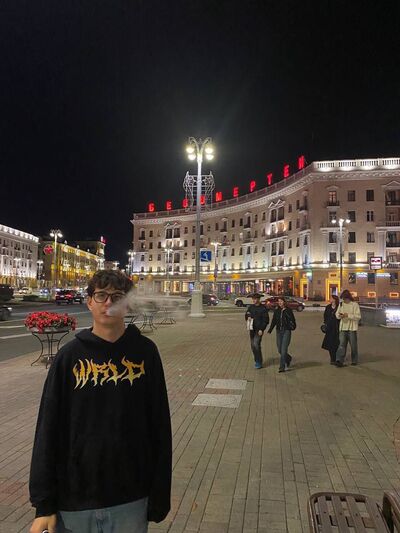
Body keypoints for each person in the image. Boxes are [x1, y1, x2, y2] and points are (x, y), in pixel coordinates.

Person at [29, 270, 172, 533]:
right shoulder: (69, 357)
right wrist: (44, 504)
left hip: (131, 497)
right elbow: (48, 427)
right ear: (89, 301)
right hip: (74, 499)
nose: (108, 303)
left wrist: (160, 493)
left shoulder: (145, 353)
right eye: (101, 295)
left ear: (127, 304)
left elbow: (159, 425)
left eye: (117, 296)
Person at [268, 297, 296, 373]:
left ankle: (282, 367)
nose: (280, 303)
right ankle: (288, 358)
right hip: (278, 331)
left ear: (284, 302)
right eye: (279, 301)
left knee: (283, 349)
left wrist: (291, 327)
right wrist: (270, 329)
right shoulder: (277, 310)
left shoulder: (288, 310)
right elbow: (274, 321)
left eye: (281, 301)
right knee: (280, 349)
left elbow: (293, 320)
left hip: (286, 331)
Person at [335, 289, 361, 367]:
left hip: (352, 328)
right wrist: (340, 315)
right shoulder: (341, 304)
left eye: (345, 299)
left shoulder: (355, 305)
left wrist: (348, 315)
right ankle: (339, 360)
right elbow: (337, 314)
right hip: (343, 328)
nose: (344, 300)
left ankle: (354, 360)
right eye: (343, 299)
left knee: (353, 345)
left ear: (349, 298)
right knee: (341, 345)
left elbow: (358, 317)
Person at [245, 293, 269, 369]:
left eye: (255, 299)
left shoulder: (263, 308)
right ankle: (257, 360)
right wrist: (248, 317)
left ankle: (259, 361)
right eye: (253, 299)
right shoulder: (251, 307)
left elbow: (266, 320)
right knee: (253, 346)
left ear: (258, 299)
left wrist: (262, 329)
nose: (254, 300)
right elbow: (247, 314)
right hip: (252, 329)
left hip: (259, 330)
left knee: (256, 344)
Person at [321, 294, 340, 364]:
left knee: (336, 344)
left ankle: (337, 358)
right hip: (329, 328)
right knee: (330, 344)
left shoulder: (339, 307)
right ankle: (332, 359)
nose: (330, 299)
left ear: (334, 300)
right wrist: (326, 323)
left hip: (337, 328)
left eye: (331, 298)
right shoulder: (328, 307)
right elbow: (325, 316)